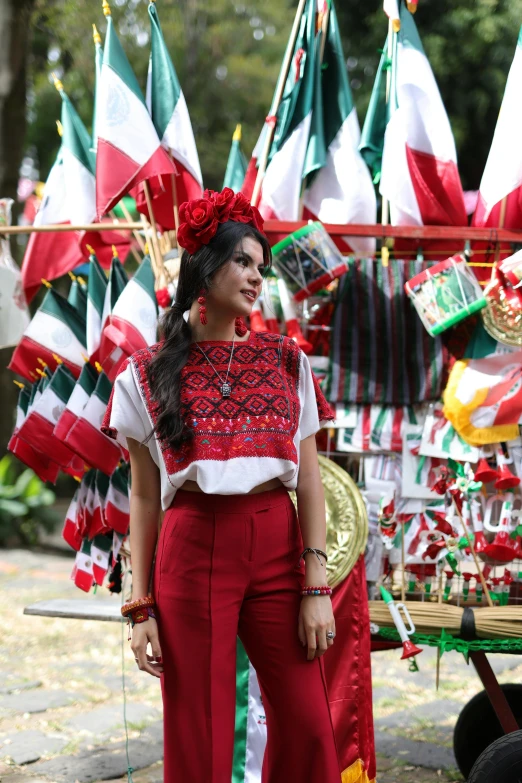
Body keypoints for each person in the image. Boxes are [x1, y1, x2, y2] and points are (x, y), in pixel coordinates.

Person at [102, 187, 341, 782]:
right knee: (199, 733)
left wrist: (316, 585)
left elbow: (308, 479)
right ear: (204, 266)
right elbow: (141, 496)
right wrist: (139, 607)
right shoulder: (145, 374)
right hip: (193, 545)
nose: (257, 277)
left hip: (279, 546)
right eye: (242, 262)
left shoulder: (289, 361)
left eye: (261, 266)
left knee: (310, 724)